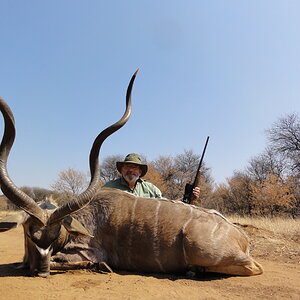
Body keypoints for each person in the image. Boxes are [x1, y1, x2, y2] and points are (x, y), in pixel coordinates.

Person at [104, 153, 200, 200]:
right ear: (121, 170)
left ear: (140, 172)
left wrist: (189, 198)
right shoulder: (108, 188)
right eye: (127, 167)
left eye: (134, 167)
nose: (131, 170)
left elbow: (166, 206)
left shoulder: (149, 188)